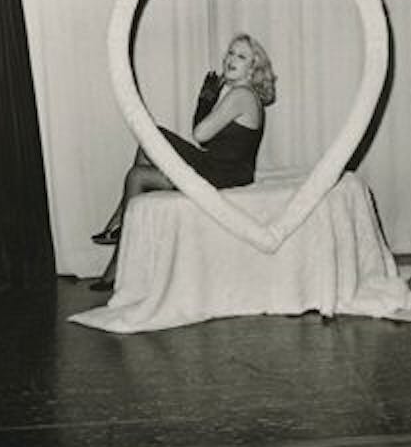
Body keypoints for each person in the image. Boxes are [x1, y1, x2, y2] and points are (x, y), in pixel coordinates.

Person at [88, 33, 277, 291]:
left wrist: (206, 100)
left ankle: (119, 226)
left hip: (224, 173)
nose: (231, 59)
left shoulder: (241, 95)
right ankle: (117, 257)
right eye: (230, 53)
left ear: (252, 68)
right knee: (138, 174)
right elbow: (205, 139)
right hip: (220, 169)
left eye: (241, 56)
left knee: (151, 136)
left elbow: (200, 135)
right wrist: (208, 99)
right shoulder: (242, 95)